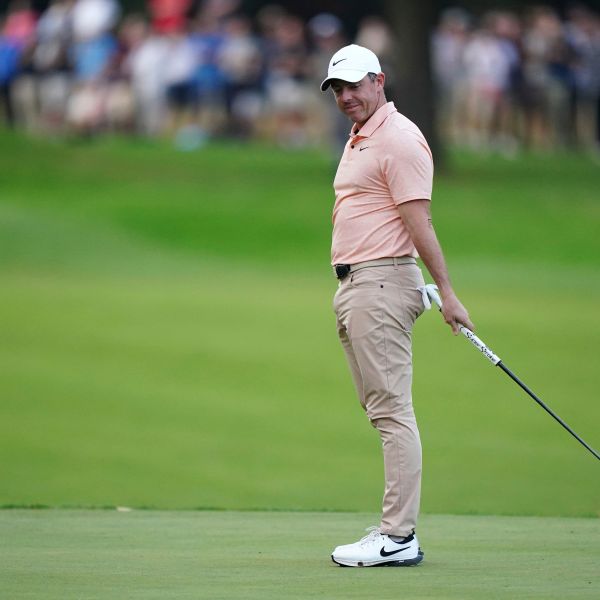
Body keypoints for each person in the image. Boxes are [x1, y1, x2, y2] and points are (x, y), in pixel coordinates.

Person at [321, 44, 474, 568]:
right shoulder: (361, 137)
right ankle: (395, 531)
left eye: (354, 86)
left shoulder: (400, 138)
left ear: (379, 81)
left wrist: (445, 290)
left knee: (392, 412)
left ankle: (398, 535)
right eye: (337, 89)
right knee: (380, 410)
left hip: (380, 284)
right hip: (361, 285)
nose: (346, 96)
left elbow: (418, 220)